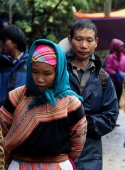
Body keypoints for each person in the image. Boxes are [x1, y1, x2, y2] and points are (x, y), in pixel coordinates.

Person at [0, 39, 87, 169]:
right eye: (34, 72)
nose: (39, 79)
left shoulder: (71, 103)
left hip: (58, 165)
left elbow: (78, 140)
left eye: (47, 73)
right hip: (20, 165)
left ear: (58, 72)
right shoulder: (16, 97)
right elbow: (3, 131)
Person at [65, 19, 119, 170]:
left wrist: (83, 123)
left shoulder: (103, 77)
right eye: (79, 39)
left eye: (89, 40)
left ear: (96, 42)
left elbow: (111, 115)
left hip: (91, 152)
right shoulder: (58, 71)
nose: (84, 45)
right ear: (70, 40)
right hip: (59, 149)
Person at [0, 24, 28, 106]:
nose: (1, 43)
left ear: (15, 42)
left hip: (21, 113)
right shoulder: (1, 62)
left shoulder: (30, 63)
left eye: (4, 40)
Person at [105, 38, 125, 105]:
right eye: (121, 46)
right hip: (112, 80)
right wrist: (116, 73)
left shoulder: (124, 58)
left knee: (118, 95)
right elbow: (108, 68)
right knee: (111, 96)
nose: (122, 47)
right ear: (116, 46)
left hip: (120, 81)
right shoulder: (110, 57)